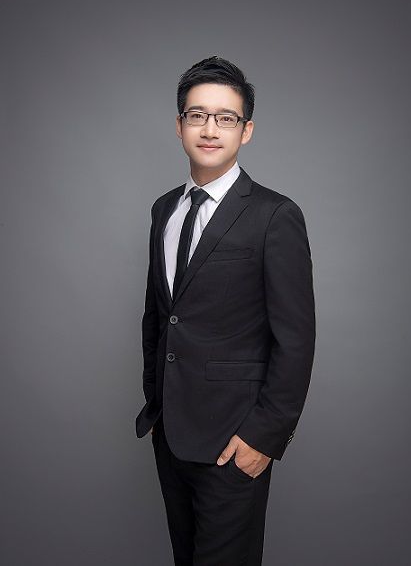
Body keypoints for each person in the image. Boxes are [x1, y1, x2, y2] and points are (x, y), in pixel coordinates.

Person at [135, 56, 316, 565]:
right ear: (179, 125)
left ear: (246, 130)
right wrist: (155, 404)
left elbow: (296, 339)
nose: (210, 129)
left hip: (234, 441)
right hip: (171, 433)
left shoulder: (275, 215)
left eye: (226, 118)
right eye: (197, 115)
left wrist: (264, 436)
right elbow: (160, 315)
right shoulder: (164, 209)